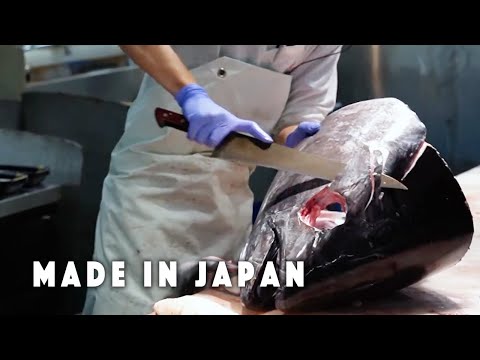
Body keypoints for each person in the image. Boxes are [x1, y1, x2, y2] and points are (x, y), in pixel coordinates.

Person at [82, 45, 343, 315]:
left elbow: (299, 115)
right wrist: (190, 94)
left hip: (229, 198)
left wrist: (294, 138)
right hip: (149, 192)